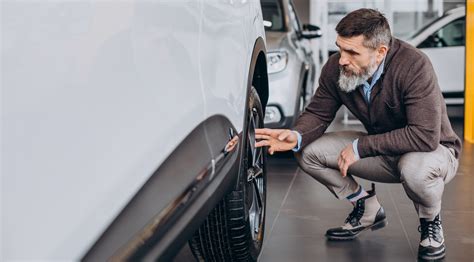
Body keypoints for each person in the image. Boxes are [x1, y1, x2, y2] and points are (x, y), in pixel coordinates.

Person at [255, 8, 461, 261]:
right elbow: (318, 114)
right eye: (340, 48)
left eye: (352, 52)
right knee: (307, 152)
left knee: (414, 170)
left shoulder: (414, 65)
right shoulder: (335, 68)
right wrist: (295, 136)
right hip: (383, 152)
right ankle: (366, 208)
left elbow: (424, 136)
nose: (342, 59)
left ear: (380, 52)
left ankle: (431, 222)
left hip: (432, 154)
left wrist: (360, 147)